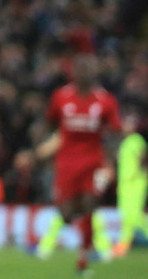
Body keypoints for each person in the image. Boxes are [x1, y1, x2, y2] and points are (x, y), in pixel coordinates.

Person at [35, 53, 121, 272]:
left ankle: (84, 255)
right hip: (66, 163)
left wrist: (110, 163)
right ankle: (84, 239)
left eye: (88, 68)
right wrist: (42, 148)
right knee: (66, 212)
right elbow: (48, 123)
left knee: (91, 202)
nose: (84, 72)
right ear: (72, 72)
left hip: (93, 161)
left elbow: (114, 133)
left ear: (94, 72)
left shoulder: (105, 100)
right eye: (80, 68)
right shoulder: (60, 97)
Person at [114, 106, 147, 257]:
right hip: (125, 184)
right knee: (126, 217)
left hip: (135, 183)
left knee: (134, 217)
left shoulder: (136, 140)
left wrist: (139, 175)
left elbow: (144, 159)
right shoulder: (125, 141)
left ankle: (124, 244)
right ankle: (124, 245)